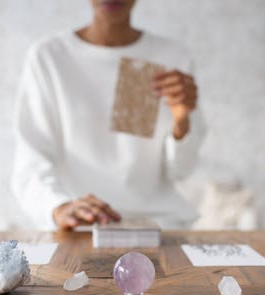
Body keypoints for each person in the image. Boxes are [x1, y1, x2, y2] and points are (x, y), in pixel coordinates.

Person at [11, 0, 206, 230]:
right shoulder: (49, 57)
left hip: (160, 225)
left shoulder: (171, 56)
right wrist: (59, 207)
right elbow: (32, 159)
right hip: (81, 226)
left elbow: (182, 171)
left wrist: (181, 122)